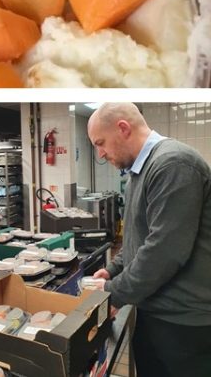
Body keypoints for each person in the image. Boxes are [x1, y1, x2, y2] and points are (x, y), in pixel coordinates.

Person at [86, 102, 211, 377]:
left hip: (183, 325)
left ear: (123, 128)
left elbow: (164, 251)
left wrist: (114, 292)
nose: (100, 153)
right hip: (156, 313)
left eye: (100, 143)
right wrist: (113, 269)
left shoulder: (173, 164)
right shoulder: (137, 173)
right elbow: (138, 238)